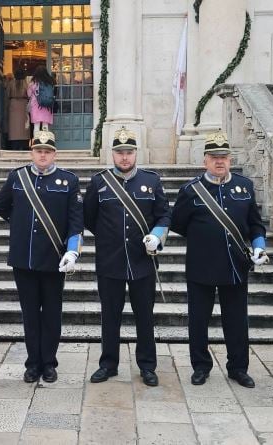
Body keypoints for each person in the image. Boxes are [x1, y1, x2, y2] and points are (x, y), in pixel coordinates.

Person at [170, 131, 268, 388]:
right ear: (205, 160)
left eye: (223, 156)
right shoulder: (191, 190)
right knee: (198, 320)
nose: (219, 161)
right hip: (201, 264)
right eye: (214, 157)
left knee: (236, 321)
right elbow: (178, 224)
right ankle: (200, 366)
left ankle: (238, 368)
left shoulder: (244, 187)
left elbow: (255, 225)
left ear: (230, 159)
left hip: (235, 265)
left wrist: (258, 247)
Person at [83, 127, 171, 387]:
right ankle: (108, 364)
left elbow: (164, 215)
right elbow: (89, 218)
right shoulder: (99, 182)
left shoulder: (151, 181)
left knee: (145, 316)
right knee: (110, 316)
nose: (124, 157)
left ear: (136, 153)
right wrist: (108, 238)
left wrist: (156, 236)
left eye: (129, 152)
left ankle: (147, 366)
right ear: (112, 154)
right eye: (120, 152)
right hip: (110, 260)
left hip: (142, 261)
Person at [0, 130, 83, 383]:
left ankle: (49, 363)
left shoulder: (68, 180)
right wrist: (19, 225)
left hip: (54, 258)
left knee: (52, 314)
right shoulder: (17, 177)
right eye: (38, 151)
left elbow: (76, 221)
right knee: (30, 314)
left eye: (47, 151)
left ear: (54, 154)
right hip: (24, 258)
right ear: (32, 153)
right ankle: (33, 363)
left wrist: (72, 250)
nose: (43, 155)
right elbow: (0, 206)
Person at [27, 65, 55, 133]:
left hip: (36, 105)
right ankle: (45, 139)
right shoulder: (49, 82)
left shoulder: (33, 83)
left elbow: (29, 94)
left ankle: (37, 139)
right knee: (45, 126)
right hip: (47, 105)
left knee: (36, 126)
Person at [7, 69, 30, 150]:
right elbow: (29, 95)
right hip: (23, 104)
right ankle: (24, 144)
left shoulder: (11, 83)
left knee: (14, 126)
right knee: (24, 125)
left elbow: (7, 94)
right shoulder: (26, 84)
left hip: (13, 104)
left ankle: (14, 144)